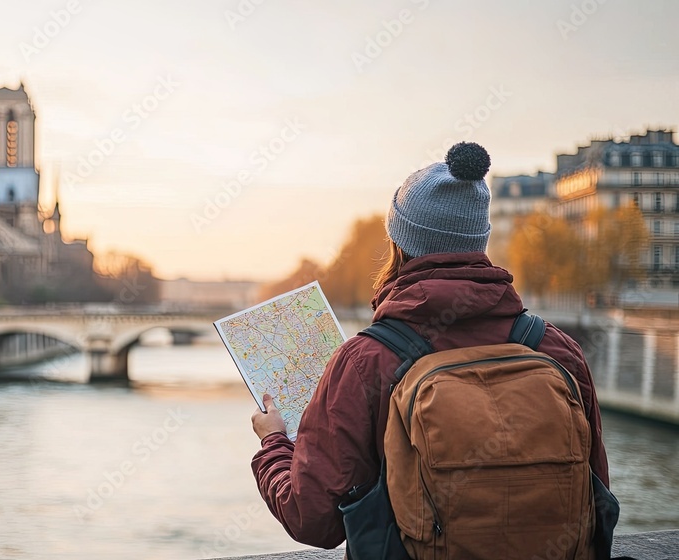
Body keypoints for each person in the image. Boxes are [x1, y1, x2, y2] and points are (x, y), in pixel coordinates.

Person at [249, 142, 609, 554]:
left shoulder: (365, 361)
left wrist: (274, 442)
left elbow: (312, 518)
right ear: (480, 242)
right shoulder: (556, 349)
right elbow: (594, 491)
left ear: (398, 243)